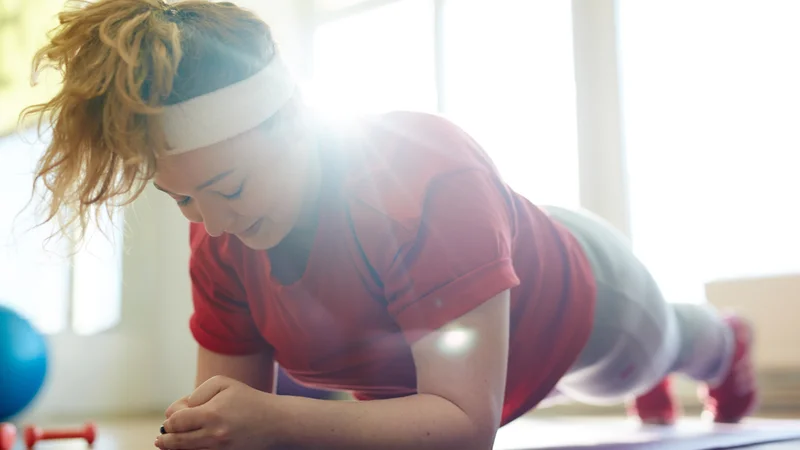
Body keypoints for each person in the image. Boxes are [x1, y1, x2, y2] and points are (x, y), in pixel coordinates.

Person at [22, 0, 758, 449]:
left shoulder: (421, 174)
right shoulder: (216, 230)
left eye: (228, 186)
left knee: (658, 352)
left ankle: (725, 342)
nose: (213, 221)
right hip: (456, 353)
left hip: (586, 298)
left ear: (298, 126)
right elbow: (229, 419)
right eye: (182, 199)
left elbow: (464, 430)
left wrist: (275, 425)